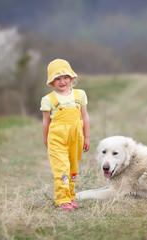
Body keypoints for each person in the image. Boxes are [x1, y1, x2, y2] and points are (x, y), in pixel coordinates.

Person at [40, 59, 90, 210]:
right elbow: (45, 122)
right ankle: (62, 200)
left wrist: (87, 136)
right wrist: (45, 139)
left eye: (65, 77)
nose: (62, 81)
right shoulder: (48, 99)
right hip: (57, 139)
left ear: (71, 78)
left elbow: (85, 116)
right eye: (57, 78)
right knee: (62, 168)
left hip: (76, 138)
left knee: (73, 168)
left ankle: (70, 196)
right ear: (51, 81)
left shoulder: (79, 95)